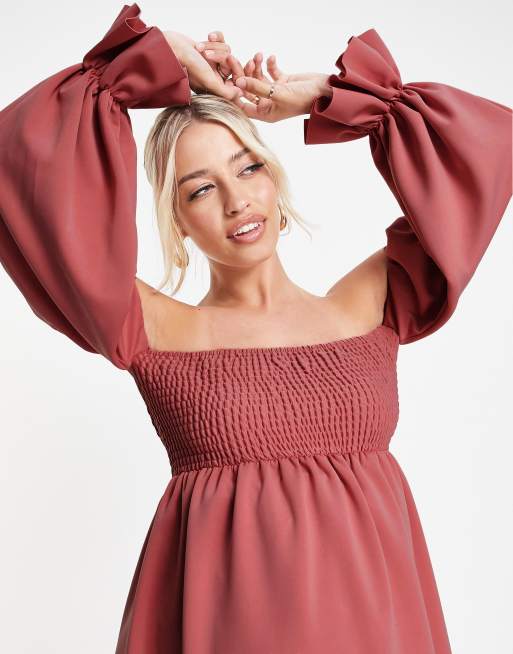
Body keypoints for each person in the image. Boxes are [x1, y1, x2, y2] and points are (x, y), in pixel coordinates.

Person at [0, 3, 511, 653]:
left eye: (247, 167)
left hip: (376, 628)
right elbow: (18, 168)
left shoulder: (369, 305)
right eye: (200, 189)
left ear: (273, 176)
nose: (237, 200)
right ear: (177, 220)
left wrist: (326, 97)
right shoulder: (152, 328)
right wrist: (152, 61)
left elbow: (487, 150)